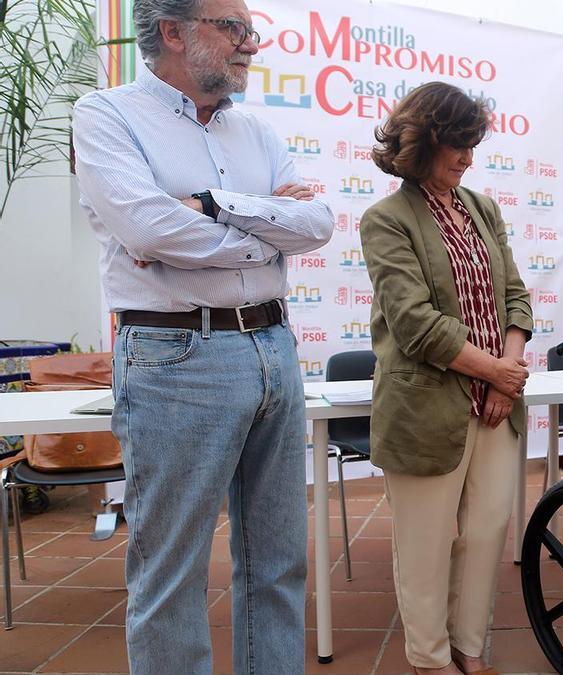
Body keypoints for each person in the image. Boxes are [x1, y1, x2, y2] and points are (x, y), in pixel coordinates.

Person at [71, 0, 334, 672]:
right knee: (171, 574)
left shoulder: (258, 131)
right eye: (236, 29)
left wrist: (217, 208)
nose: (253, 42)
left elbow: (319, 224)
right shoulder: (108, 116)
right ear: (174, 33)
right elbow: (152, 232)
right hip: (175, 357)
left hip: (273, 348)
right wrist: (265, 239)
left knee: (279, 562)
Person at [360, 82, 532, 675]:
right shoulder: (385, 219)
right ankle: (430, 661)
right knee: (427, 548)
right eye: (456, 144)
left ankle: (470, 650)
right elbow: (414, 324)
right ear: (423, 141)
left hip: (495, 405)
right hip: (427, 409)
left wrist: (505, 373)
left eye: (472, 145)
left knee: (484, 536)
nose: (466, 157)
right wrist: (498, 375)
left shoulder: (482, 208)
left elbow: (514, 296)